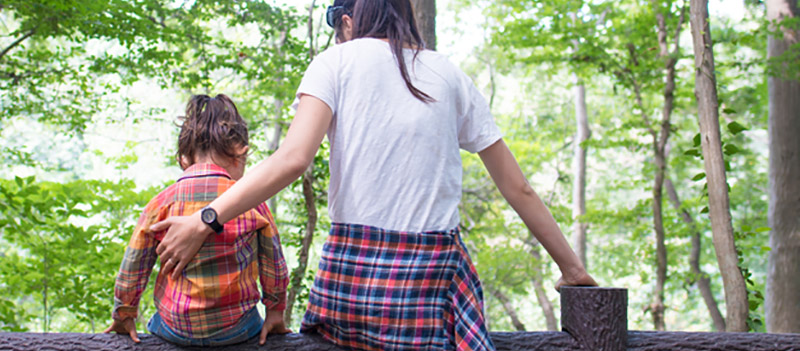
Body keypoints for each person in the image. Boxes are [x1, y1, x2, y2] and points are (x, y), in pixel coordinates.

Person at [146, 1, 599, 350]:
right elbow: (516, 187)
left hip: (353, 290)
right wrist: (572, 268)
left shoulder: (335, 63)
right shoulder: (449, 74)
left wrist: (206, 218)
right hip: (427, 290)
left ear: (348, 21)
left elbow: (292, 160)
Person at [104, 94, 293, 346]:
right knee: (252, 322)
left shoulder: (161, 203)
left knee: (156, 321)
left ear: (184, 158)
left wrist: (124, 313)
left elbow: (134, 265)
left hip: (175, 328)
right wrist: (275, 312)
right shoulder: (252, 203)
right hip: (236, 328)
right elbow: (274, 265)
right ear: (240, 155)